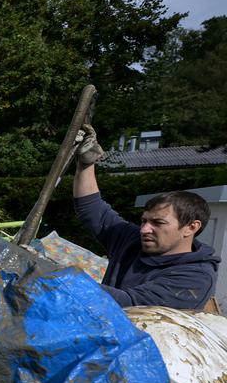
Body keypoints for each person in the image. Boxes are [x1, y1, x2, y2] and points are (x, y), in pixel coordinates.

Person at [73, 125, 219, 309]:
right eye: (144, 221)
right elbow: (93, 211)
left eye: (158, 223)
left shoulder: (195, 277)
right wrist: (86, 164)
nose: (144, 229)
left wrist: (65, 282)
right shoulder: (133, 242)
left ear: (191, 227)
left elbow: (132, 305)